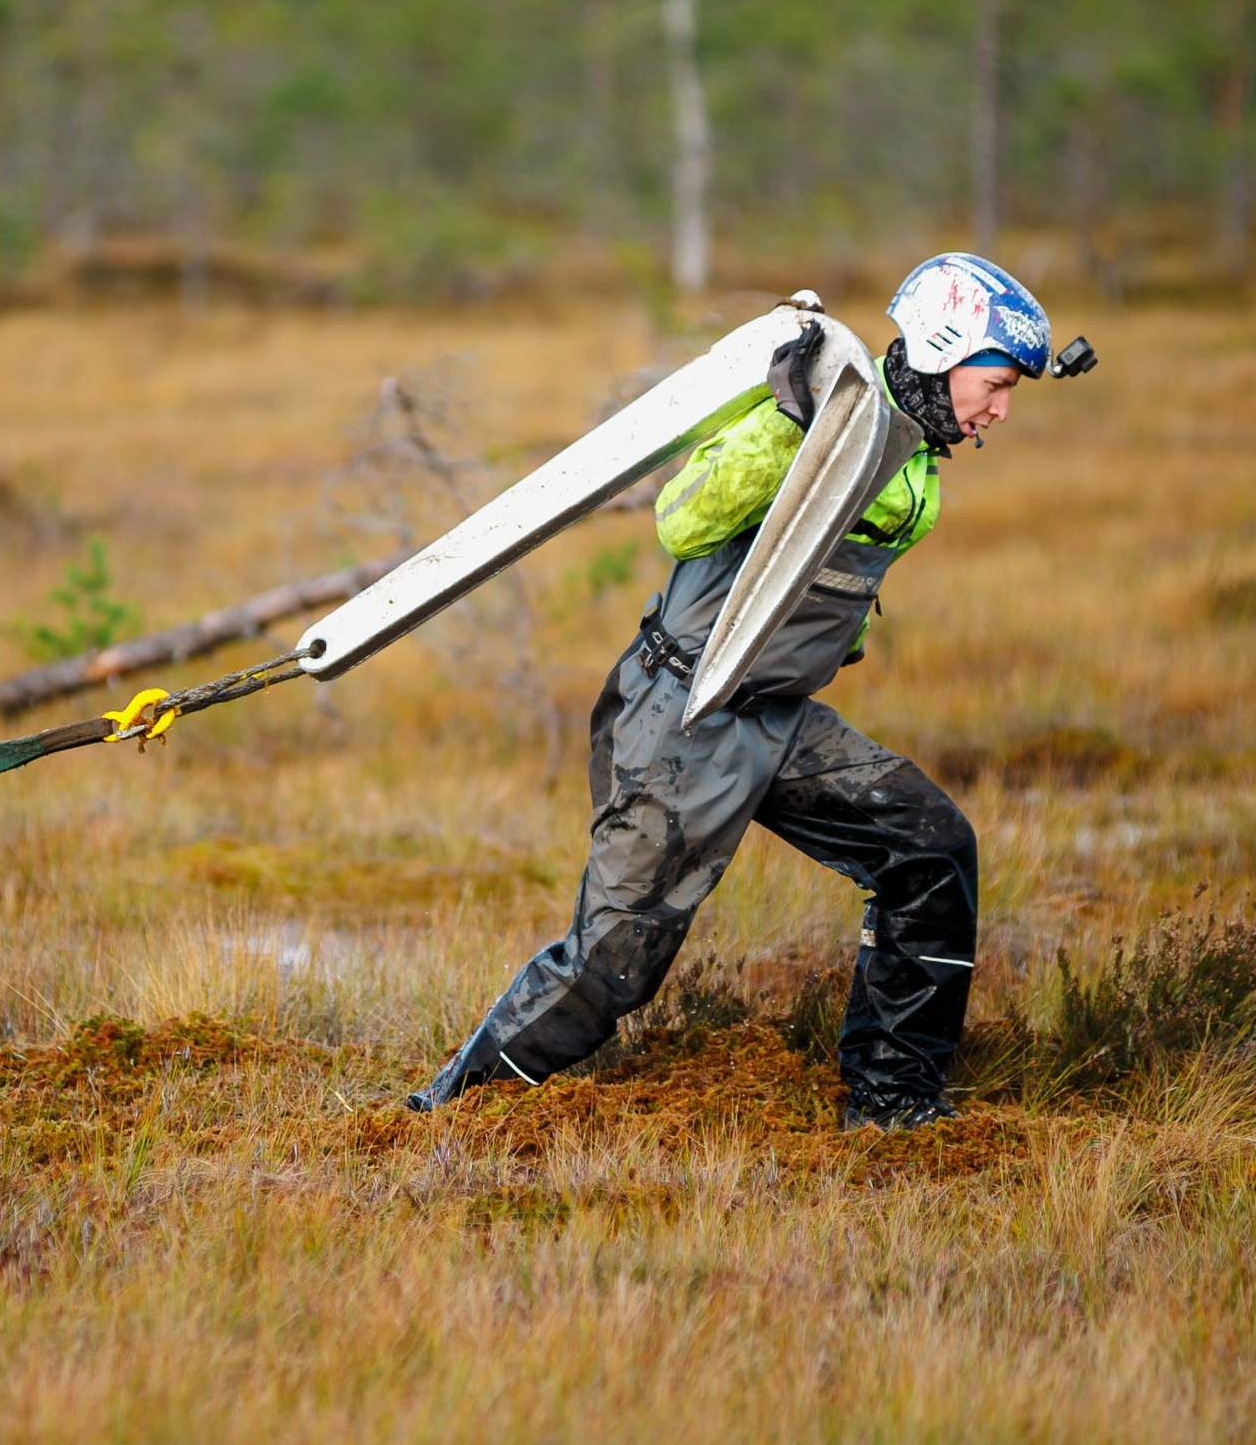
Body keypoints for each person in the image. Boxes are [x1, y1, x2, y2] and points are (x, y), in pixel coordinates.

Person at [407, 253, 1082, 1130]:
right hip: (683, 714)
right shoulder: (809, 413)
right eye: (995, 384)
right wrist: (791, 426)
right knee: (615, 964)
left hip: (776, 716)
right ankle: (441, 1116)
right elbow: (681, 517)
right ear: (941, 350)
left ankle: (893, 1103)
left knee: (930, 850)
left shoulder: (913, 456)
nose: (999, 409)